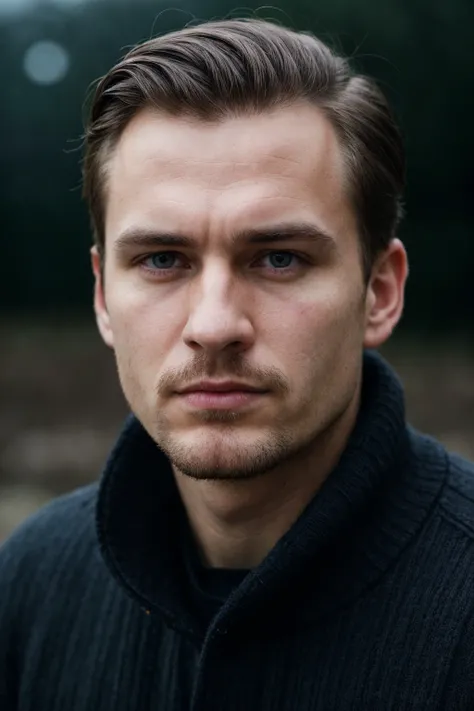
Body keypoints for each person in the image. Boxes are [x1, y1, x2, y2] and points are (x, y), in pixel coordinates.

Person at [1, 17, 474, 711]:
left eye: (279, 257)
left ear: (380, 291)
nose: (214, 324)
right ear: (103, 295)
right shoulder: (31, 583)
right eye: (163, 259)